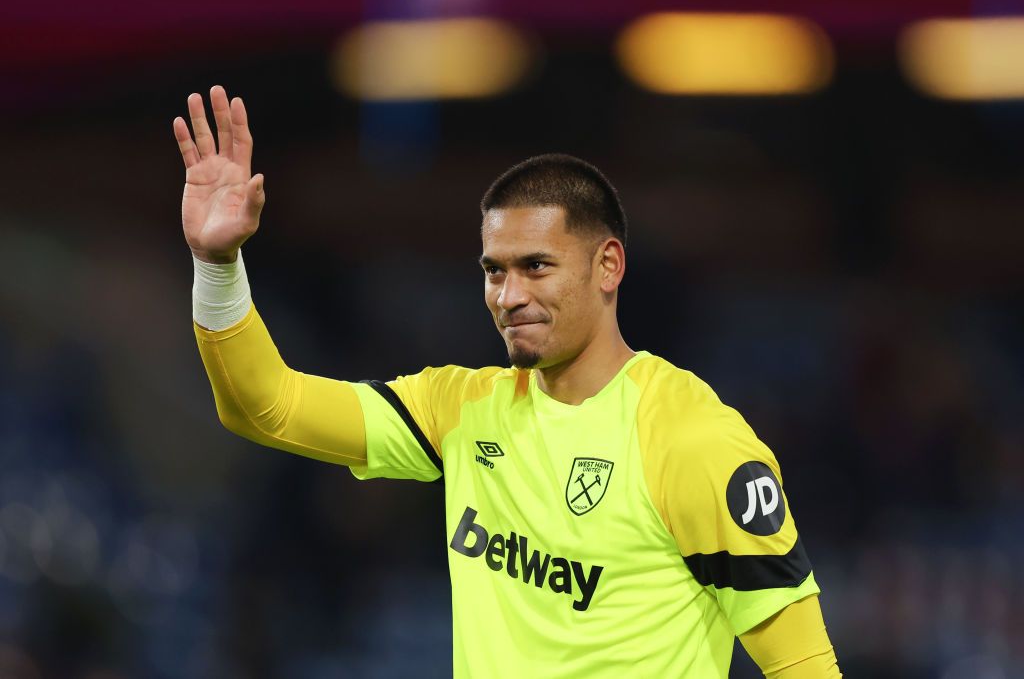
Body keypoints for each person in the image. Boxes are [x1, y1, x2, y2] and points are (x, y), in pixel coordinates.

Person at [176, 85, 841, 677]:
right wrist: (219, 263)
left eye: (537, 266)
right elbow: (267, 407)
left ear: (608, 266)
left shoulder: (693, 439)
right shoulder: (461, 409)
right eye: (496, 270)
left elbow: (805, 666)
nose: (509, 295)